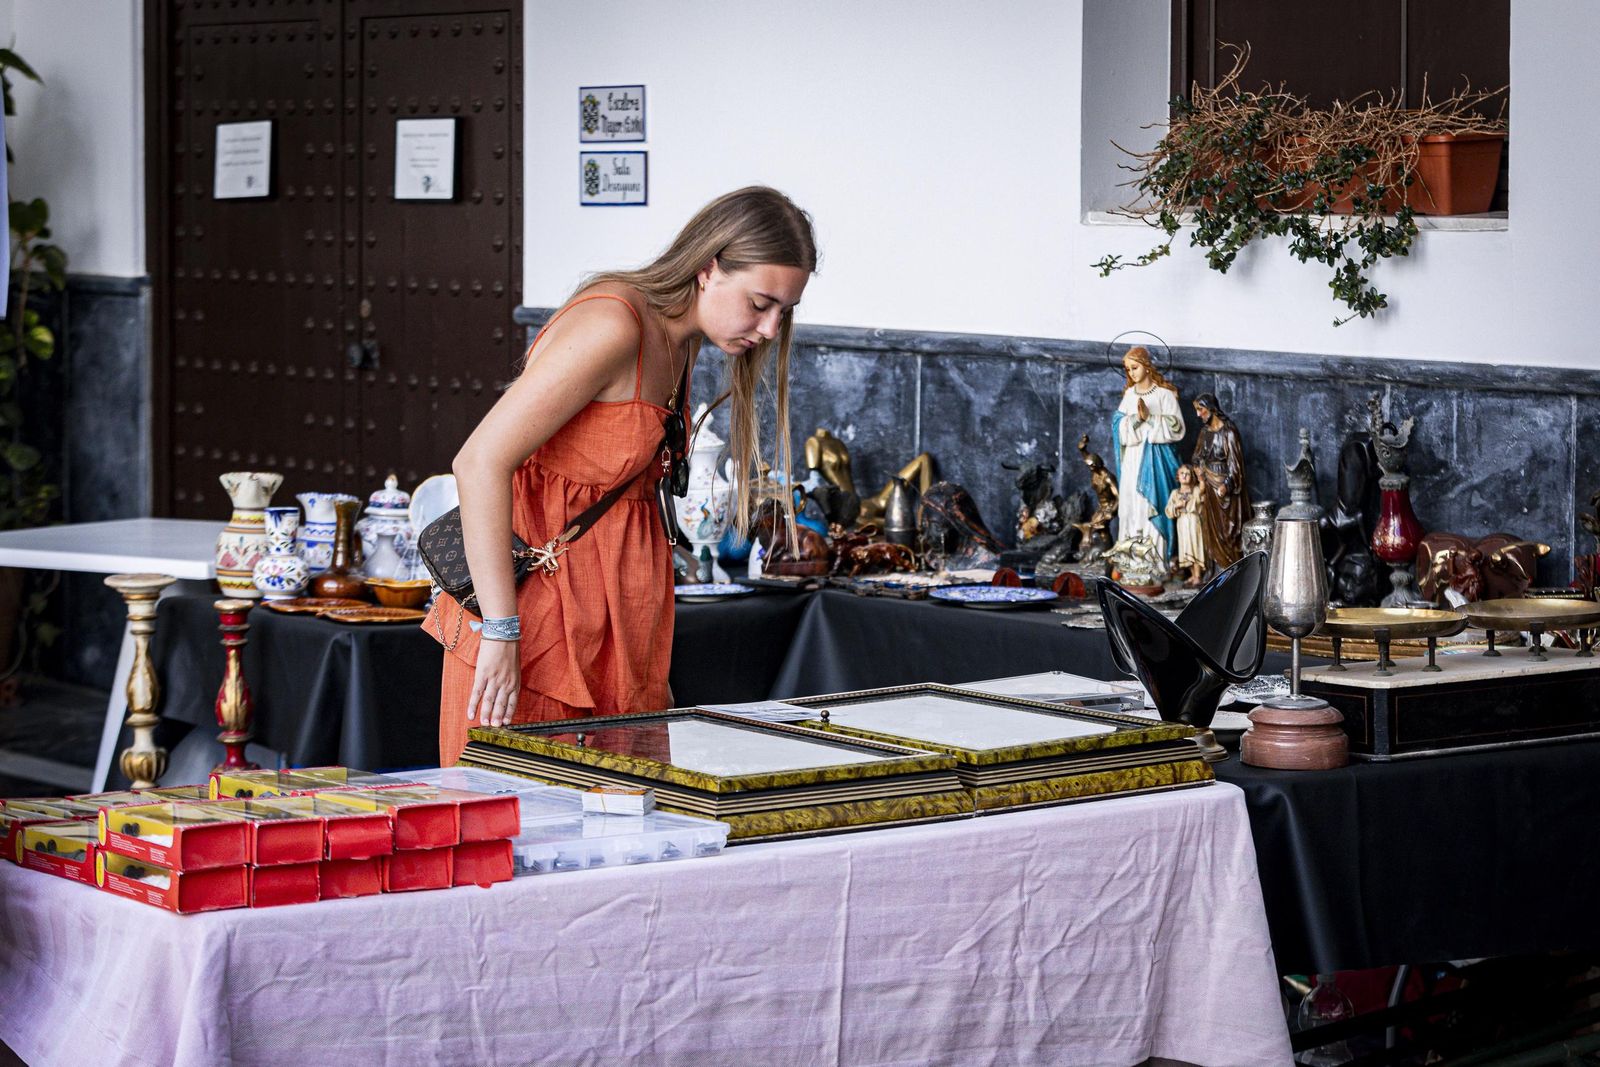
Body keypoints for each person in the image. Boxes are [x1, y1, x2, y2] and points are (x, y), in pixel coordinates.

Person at [428, 186, 816, 765]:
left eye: (784, 312)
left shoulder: (679, 339)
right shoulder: (616, 324)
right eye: (760, 303)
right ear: (709, 268)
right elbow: (479, 462)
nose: (768, 328)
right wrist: (501, 633)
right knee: (514, 834)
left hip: (615, 633)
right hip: (537, 636)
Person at [1111, 346, 1184, 560]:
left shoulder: (1165, 395)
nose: (1131, 373)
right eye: (1127, 369)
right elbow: (1118, 425)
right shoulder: (1129, 395)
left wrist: (1150, 418)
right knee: (1132, 504)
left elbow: (1177, 428)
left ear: (1147, 366)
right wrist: (1136, 419)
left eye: (1135, 367)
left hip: (1155, 459)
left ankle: (1155, 559)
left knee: (1150, 505)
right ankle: (1131, 558)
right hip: (1132, 459)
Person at [1190, 392, 1251, 569]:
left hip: (1226, 491)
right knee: (1212, 531)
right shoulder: (1204, 433)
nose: (1198, 414)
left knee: (1230, 531)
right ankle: (1218, 571)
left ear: (1211, 409)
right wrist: (1198, 469)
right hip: (1209, 488)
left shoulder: (1229, 432)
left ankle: (1235, 570)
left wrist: (1227, 485)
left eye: (1200, 410)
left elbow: (1236, 465)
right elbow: (1196, 456)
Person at [1165, 464, 1206, 587]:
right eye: (1182, 473)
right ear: (1178, 476)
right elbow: (1168, 510)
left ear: (1191, 477)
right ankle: (1193, 575)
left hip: (1193, 521)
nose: (1184, 476)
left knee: (1195, 547)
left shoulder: (1195, 490)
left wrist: (1201, 479)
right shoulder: (1175, 493)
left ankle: (1198, 576)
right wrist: (1176, 506)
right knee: (1185, 549)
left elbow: (1203, 490)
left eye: (1187, 473)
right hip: (1182, 523)